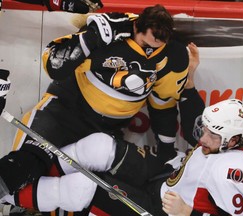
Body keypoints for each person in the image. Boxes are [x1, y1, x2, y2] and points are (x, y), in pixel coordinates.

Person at [0, 4, 205, 200]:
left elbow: (162, 104)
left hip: (106, 129)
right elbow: (54, 65)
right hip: (63, 112)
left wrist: (166, 151)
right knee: (29, 163)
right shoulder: (108, 35)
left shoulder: (172, 55)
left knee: (109, 184)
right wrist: (92, 37)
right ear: (136, 28)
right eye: (145, 45)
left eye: (155, 49)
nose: (149, 53)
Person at [1, 99, 243, 216]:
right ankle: (26, 175)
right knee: (99, 147)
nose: (203, 138)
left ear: (232, 141)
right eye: (205, 129)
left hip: (163, 210)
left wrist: (188, 213)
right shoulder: (239, 130)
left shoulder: (235, 172)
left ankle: (6, 196)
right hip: (166, 177)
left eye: (212, 135)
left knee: (83, 188)